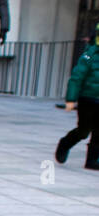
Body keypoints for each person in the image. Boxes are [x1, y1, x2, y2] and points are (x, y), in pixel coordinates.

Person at [57, 34, 99, 170]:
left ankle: (91, 161)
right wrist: (71, 99)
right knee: (83, 131)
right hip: (88, 98)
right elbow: (76, 77)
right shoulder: (89, 55)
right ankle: (65, 143)